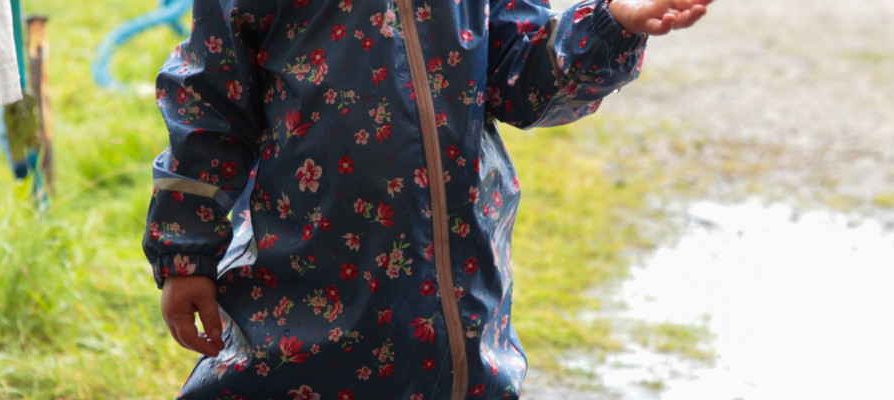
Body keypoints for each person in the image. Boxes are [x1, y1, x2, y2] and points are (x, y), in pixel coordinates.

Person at [143, 0, 710, 398]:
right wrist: (185, 252)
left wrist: (611, 23)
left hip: (455, 306)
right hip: (302, 298)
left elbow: (524, 78)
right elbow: (209, 105)